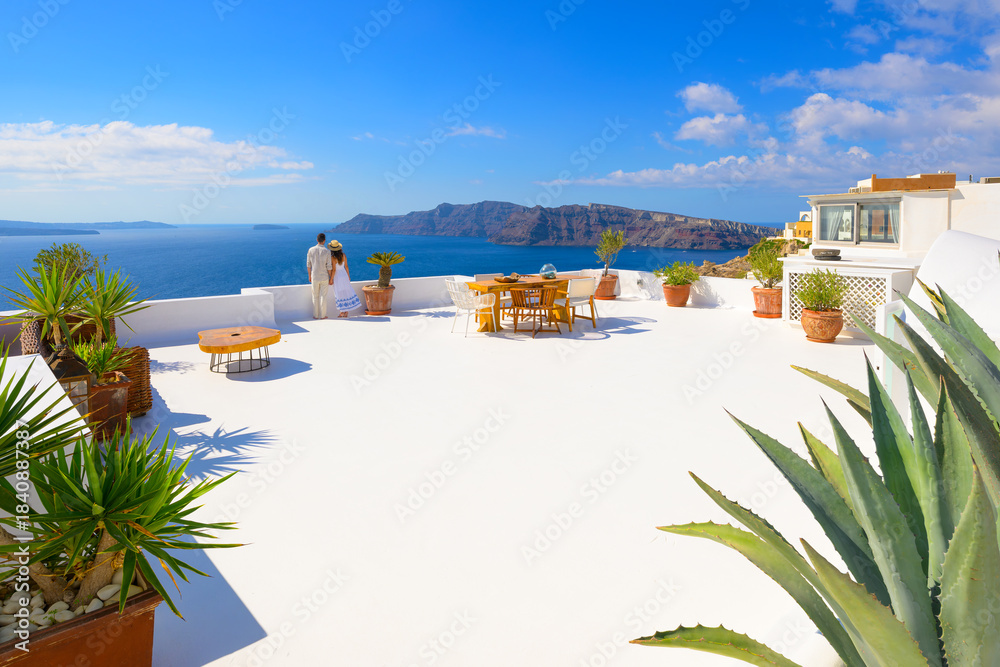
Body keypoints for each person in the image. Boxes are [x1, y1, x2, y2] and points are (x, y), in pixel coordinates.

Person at [328, 240, 362, 318]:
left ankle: (341, 312)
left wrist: (331, 279)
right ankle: (346, 312)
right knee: (346, 291)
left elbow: (334, 270)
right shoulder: (343, 255)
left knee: (339, 293)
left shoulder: (333, 257)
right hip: (344, 275)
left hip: (337, 276)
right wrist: (348, 276)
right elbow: (346, 266)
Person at [307, 233, 333, 319]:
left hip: (314, 276)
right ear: (324, 241)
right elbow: (329, 266)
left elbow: (308, 265)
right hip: (324, 277)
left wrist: (309, 276)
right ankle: (323, 315)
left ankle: (315, 315)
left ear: (317, 240)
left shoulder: (311, 250)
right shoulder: (327, 251)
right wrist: (331, 278)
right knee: (323, 296)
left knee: (315, 296)